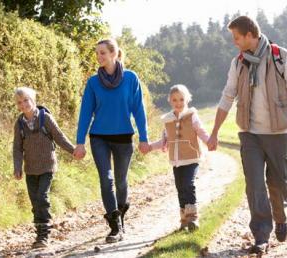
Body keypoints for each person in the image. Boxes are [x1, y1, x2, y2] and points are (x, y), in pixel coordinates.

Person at [207, 16, 287, 255]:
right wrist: (214, 132)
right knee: (254, 185)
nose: (234, 43)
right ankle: (261, 236)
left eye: (237, 38)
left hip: (277, 133)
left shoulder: (280, 57)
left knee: (278, 184)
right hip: (249, 134)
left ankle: (280, 217)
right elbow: (227, 96)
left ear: (250, 35)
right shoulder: (238, 63)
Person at [73, 39, 149, 243]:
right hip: (99, 137)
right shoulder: (93, 82)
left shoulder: (131, 78)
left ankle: (120, 216)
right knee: (106, 181)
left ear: (114, 54)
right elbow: (85, 114)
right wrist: (79, 142)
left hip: (124, 137)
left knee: (121, 181)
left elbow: (139, 110)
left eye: (103, 53)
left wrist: (144, 138)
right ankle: (115, 226)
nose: (99, 57)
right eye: (97, 53)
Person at [12, 86, 75, 248]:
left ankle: (44, 235)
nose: (24, 104)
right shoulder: (19, 125)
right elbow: (17, 148)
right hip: (30, 169)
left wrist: (74, 151)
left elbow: (59, 137)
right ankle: (39, 233)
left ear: (33, 100)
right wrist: (17, 167)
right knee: (35, 202)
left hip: (47, 166)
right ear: (18, 105)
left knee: (42, 197)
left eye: (26, 100)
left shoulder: (45, 118)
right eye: (20, 102)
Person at [147, 84, 209, 231]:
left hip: (191, 157)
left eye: (181, 99)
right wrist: (149, 146)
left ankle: (193, 217)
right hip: (176, 161)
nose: (178, 103)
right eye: (175, 100)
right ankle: (184, 220)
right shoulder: (168, 120)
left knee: (189, 184)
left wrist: (209, 140)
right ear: (170, 101)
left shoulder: (192, 116)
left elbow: (200, 131)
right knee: (180, 188)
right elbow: (164, 141)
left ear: (187, 99)